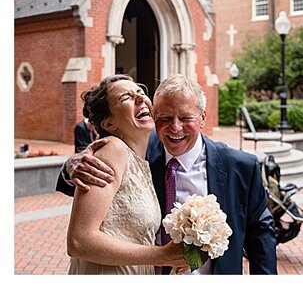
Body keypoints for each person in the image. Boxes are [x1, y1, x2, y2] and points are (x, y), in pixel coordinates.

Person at [59, 75, 278, 274]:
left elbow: (260, 239)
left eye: (185, 118)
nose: (175, 128)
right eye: (165, 118)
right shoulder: (133, 152)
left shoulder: (240, 166)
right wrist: (72, 166)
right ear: (155, 116)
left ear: (202, 117)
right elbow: (91, 184)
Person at [64, 75, 188, 274]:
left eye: (140, 93)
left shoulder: (143, 160)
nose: (140, 99)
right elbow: (79, 241)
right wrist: (163, 255)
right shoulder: (112, 150)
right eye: (125, 98)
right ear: (109, 124)